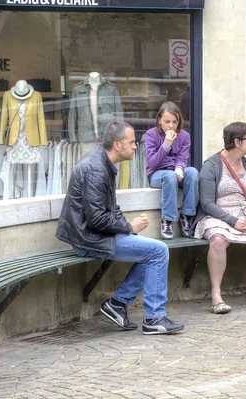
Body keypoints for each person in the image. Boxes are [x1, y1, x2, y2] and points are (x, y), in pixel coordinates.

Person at [55, 121, 184, 335]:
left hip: (94, 235)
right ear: (117, 145)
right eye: (131, 142)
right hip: (88, 239)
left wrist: (128, 228)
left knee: (152, 251)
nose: (135, 146)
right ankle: (153, 318)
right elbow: (96, 219)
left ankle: (118, 304)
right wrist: (128, 226)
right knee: (158, 251)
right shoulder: (96, 169)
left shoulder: (104, 163)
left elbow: (111, 207)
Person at [192, 121, 246, 314]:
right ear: (237, 142)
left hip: (244, 213)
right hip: (217, 214)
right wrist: (232, 221)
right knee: (218, 240)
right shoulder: (211, 165)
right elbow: (207, 203)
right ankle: (216, 295)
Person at [145, 102, 199, 239]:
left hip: (175, 172)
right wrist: (166, 145)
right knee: (169, 176)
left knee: (192, 172)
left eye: (175, 122)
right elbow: (152, 163)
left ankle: (187, 215)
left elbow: (183, 157)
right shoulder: (151, 135)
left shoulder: (184, 136)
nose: (171, 126)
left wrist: (180, 168)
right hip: (157, 174)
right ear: (159, 120)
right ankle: (168, 220)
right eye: (167, 121)